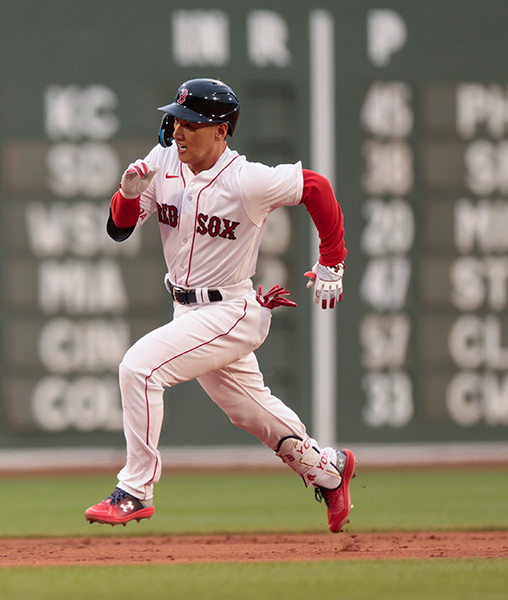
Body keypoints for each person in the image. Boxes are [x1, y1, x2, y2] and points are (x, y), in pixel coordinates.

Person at [84, 78, 355, 533]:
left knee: (139, 368)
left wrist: (333, 261)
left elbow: (316, 188)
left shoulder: (248, 179)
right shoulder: (164, 160)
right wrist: (128, 196)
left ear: (221, 131)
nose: (179, 130)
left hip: (232, 309)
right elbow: (119, 228)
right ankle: (327, 469)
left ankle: (134, 489)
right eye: (176, 118)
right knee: (248, 409)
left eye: (192, 122)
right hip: (187, 309)